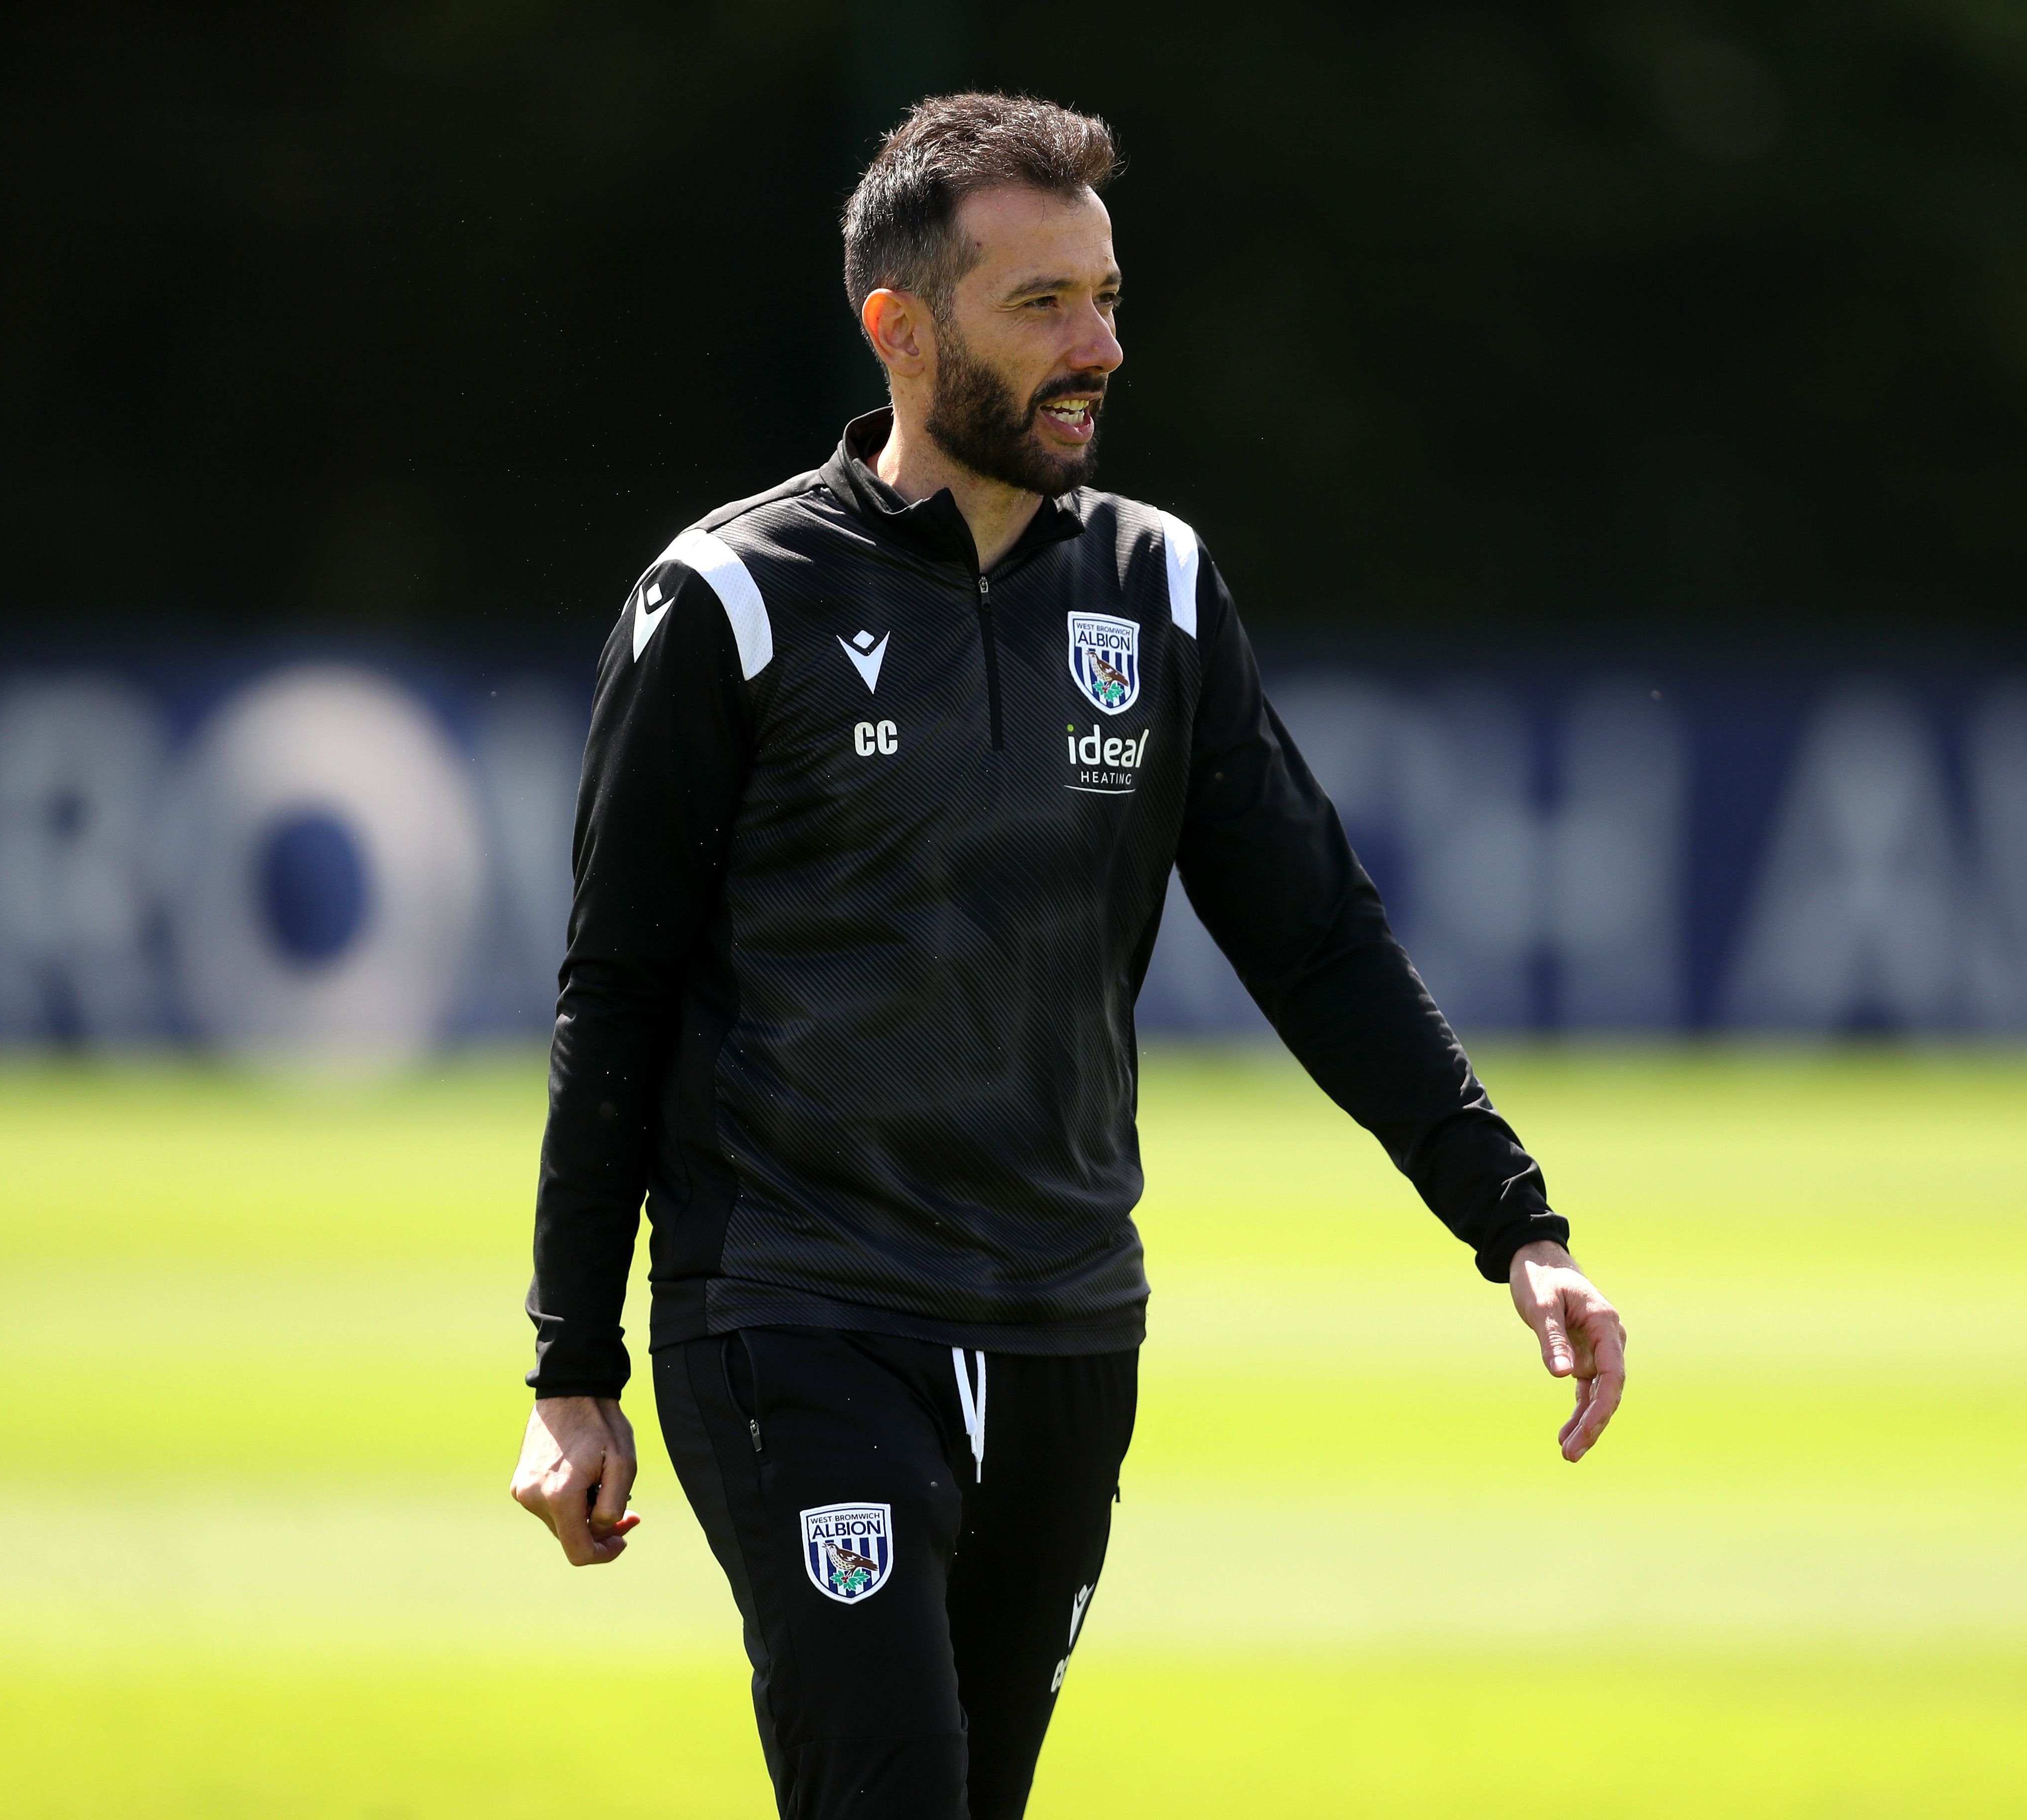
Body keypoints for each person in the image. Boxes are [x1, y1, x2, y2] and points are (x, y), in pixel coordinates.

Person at [507, 91, 1625, 1820]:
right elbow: (618, 988)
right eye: (1042, 307)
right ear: (900, 327)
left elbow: (1316, 938)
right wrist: (571, 1363)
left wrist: (1516, 1225)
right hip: (797, 1315)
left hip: (1063, 1325)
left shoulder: (1161, 591)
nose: (1096, 347)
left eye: (1105, 298)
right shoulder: (729, 601)